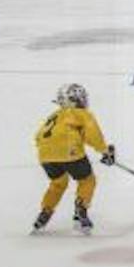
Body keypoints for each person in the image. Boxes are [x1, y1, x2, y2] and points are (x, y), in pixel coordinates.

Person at [33, 82, 114, 234]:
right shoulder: (81, 114)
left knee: (58, 183)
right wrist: (105, 151)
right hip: (69, 152)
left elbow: (38, 136)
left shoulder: (54, 115)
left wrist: (51, 151)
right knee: (87, 180)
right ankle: (80, 209)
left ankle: (45, 212)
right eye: (80, 98)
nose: (83, 101)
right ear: (73, 100)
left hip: (45, 154)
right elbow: (93, 135)